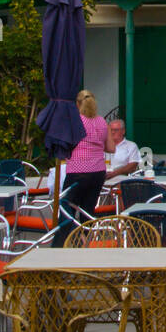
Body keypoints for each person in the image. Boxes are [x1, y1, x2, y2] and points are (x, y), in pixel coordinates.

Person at [60, 91, 108, 240]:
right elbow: (111, 148)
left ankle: (62, 242)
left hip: (78, 170)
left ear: (77, 104)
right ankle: (86, 240)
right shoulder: (101, 121)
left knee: (66, 207)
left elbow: (64, 146)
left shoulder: (75, 121)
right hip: (98, 171)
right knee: (87, 209)